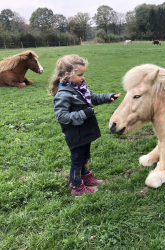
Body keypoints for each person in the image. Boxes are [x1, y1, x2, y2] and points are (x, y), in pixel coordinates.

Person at [48, 54, 121, 197]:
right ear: (68, 74)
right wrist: (84, 113)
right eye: (80, 74)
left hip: (84, 131)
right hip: (75, 133)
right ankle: (76, 187)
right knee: (77, 158)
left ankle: (85, 176)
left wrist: (107, 97)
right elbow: (62, 116)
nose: (82, 77)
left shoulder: (78, 87)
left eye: (83, 74)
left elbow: (92, 97)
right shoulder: (63, 93)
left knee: (85, 155)